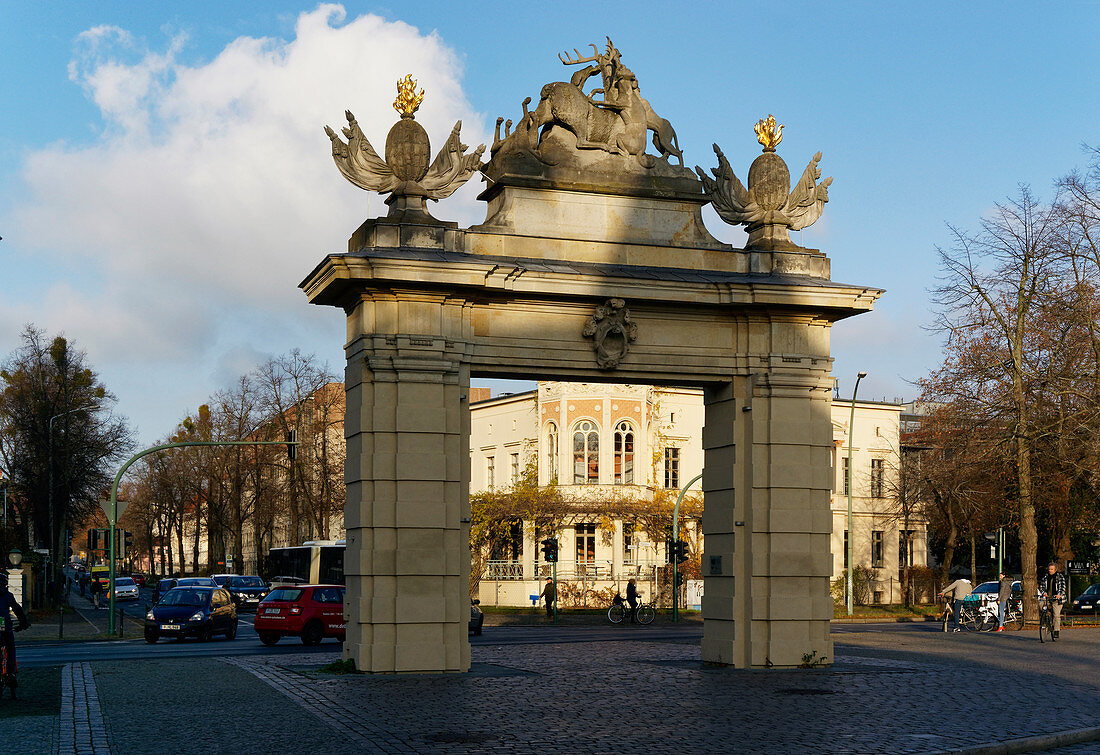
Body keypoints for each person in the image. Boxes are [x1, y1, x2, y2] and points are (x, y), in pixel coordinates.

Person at [0, 573, 30, 699]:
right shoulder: (8, 595)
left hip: (3, 625)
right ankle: (11, 672)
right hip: (3, 625)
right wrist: (23, 624)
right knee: (10, 648)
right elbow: (18, 610)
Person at [1038, 561, 1067, 639]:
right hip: (1048, 597)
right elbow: (1041, 587)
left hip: (1057, 599)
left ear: (1055, 570)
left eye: (1051, 569)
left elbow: (1062, 587)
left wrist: (1059, 595)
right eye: (1049, 569)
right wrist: (1044, 593)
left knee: (1056, 615)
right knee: (1041, 604)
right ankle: (1045, 620)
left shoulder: (1060, 577)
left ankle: (1056, 630)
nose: (1050, 570)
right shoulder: (1045, 577)